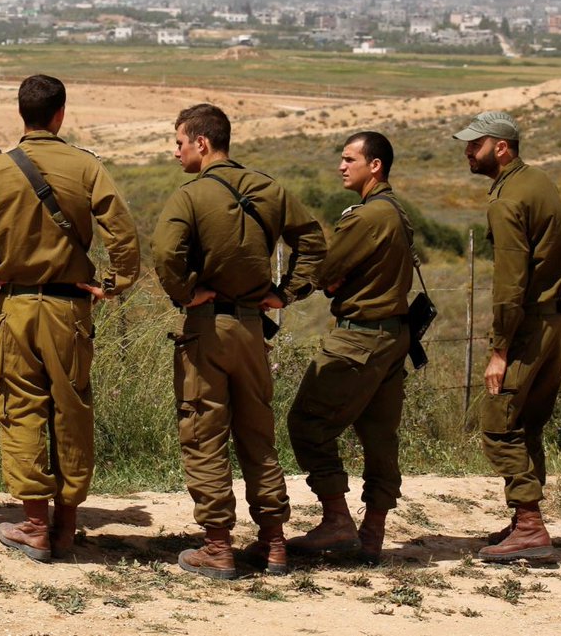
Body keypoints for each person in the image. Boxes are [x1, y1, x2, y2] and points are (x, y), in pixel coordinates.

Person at [0, 74, 140, 563]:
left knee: (20, 409)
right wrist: (112, 284)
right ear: (59, 115)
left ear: (22, 114)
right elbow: (123, 235)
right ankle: (66, 527)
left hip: (14, 309)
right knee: (71, 411)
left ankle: (33, 525)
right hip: (69, 310)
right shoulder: (87, 167)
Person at [151, 104, 326, 580]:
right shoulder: (270, 189)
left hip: (206, 329)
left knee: (204, 431)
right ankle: (274, 543)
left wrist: (185, 293)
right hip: (252, 329)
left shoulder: (190, 196)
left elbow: (165, 252)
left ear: (202, 143)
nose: (176, 152)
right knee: (257, 434)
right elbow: (313, 242)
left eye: (180, 142)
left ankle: (217, 546)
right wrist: (285, 293)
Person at [285, 131, 415, 565]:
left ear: (374, 165)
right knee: (380, 437)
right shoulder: (395, 211)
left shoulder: (367, 216)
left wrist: (290, 291)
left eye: (349, 159)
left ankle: (337, 520)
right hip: (393, 336)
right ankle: (372, 533)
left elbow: (324, 270)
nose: (341, 166)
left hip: (359, 336)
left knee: (307, 422)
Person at [454, 111, 561, 563]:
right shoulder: (538, 181)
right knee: (528, 421)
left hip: (527, 325)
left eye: (475, 144)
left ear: (501, 148)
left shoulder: (506, 200)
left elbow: (509, 285)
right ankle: (526, 519)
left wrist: (499, 350)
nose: (468, 152)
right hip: (554, 318)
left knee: (498, 422)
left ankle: (529, 525)